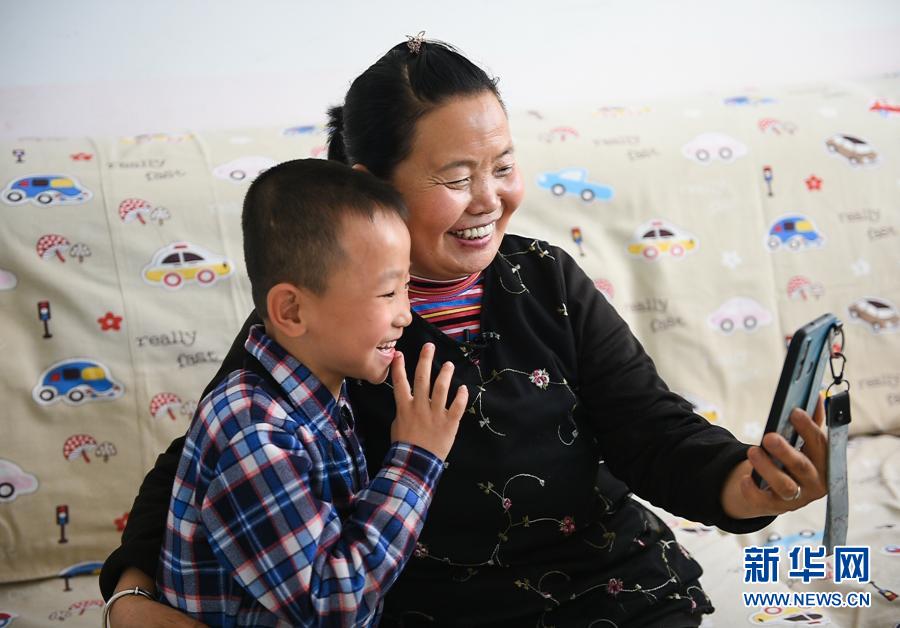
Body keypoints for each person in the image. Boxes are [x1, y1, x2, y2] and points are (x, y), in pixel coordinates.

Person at [101, 37, 827, 628]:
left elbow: (652, 429)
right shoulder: (325, 322)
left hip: (607, 590)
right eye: (455, 178)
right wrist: (131, 598)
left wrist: (749, 485)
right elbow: (202, 463)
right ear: (372, 185)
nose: (490, 199)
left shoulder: (546, 279)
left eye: (503, 167)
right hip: (435, 611)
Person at [151, 159, 468, 626]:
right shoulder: (252, 432)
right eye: (387, 294)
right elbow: (333, 604)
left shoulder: (321, 395)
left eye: (406, 288)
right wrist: (416, 458)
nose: (406, 314)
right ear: (292, 311)